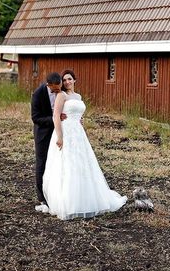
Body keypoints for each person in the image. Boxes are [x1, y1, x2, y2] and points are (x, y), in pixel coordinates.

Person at [42, 69, 127, 220]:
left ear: (74, 80)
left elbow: (79, 114)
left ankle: (85, 198)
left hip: (78, 134)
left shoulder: (78, 96)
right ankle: (68, 202)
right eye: (65, 80)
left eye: (70, 79)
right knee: (67, 164)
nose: (67, 82)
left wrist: (81, 120)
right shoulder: (61, 95)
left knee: (82, 164)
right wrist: (60, 136)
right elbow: (56, 116)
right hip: (66, 132)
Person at [31, 71, 63, 213]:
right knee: (42, 162)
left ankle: (56, 194)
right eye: (54, 90)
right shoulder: (38, 94)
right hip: (43, 134)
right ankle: (42, 197)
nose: (57, 92)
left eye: (59, 88)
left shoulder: (63, 91)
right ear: (48, 85)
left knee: (58, 162)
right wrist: (55, 119)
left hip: (59, 133)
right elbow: (35, 118)